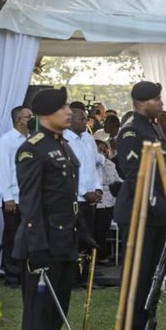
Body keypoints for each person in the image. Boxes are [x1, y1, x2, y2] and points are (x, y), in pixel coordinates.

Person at [14, 87, 92, 330]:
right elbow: (30, 203)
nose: (69, 112)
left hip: (64, 241)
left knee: (56, 313)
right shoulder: (32, 149)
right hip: (44, 243)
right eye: (62, 107)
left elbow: (66, 195)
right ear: (46, 114)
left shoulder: (62, 145)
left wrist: (81, 229)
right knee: (39, 316)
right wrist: (37, 247)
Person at [114, 81, 166, 330]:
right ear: (141, 102)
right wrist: (160, 206)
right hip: (139, 212)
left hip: (156, 213)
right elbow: (135, 175)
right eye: (156, 99)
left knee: (152, 276)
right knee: (137, 276)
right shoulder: (131, 130)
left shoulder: (153, 127)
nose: (161, 103)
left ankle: (147, 327)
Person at [0, 105, 31, 286]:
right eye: (28, 117)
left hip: (30, 197)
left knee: (28, 236)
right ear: (18, 120)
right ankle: (12, 274)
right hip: (13, 198)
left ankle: (26, 272)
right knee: (13, 236)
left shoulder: (32, 139)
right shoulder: (6, 141)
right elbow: (3, 171)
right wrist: (7, 197)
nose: (32, 119)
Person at [64, 102, 103, 259]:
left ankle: (87, 269)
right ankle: (75, 270)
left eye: (86, 119)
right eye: (81, 119)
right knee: (76, 237)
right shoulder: (65, 140)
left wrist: (98, 188)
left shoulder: (87, 138)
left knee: (89, 237)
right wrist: (84, 192)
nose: (85, 122)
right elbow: (68, 172)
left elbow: (94, 166)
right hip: (76, 199)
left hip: (91, 198)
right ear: (71, 121)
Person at [94, 138, 122, 264]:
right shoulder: (94, 164)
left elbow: (116, 179)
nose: (104, 151)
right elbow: (104, 180)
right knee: (98, 229)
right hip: (98, 200)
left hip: (110, 200)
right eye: (100, 149)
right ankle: (99, 256)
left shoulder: (110, 164)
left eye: (105, 149)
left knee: (105, 229)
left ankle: (106, 253)